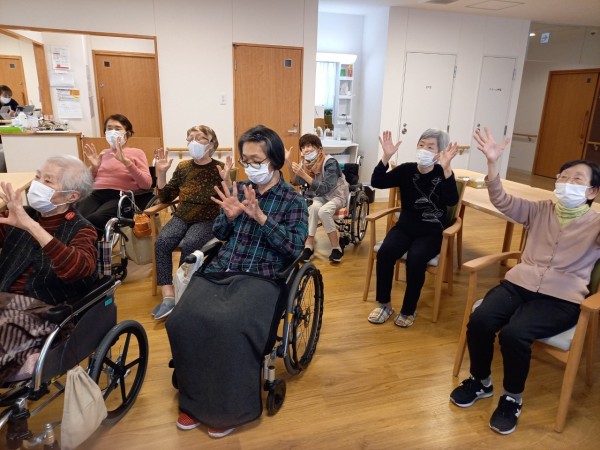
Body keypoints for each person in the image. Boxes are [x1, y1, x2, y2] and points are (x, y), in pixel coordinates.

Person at [449, 127, 600, 435]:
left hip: (562, 298)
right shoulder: (540, 209)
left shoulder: (596, 223)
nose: (568, 183)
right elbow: (502, 199)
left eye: (577, 180)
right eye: (564, 178)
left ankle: (512, 398)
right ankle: (481, 381)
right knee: (480, 320)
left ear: (592, 192)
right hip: (518, 284)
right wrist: (492, 164)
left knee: (515, 334)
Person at [166, 125, 308, 439]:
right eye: (246, 160)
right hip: (224, 267)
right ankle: (195, 396)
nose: (251, 167)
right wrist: (228, 217)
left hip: (263, 275)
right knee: (182, 319)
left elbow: (293, 249)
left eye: (257, 160)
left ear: (275, 160)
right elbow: (221, 233)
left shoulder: (293, 200)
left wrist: (262, 218)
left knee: (228, 325)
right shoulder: (240, 189)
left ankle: (228, 408)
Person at [0, 155, 98, 381]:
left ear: (72, 196)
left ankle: (22, 361)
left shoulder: (82, 229)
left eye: (48, 181)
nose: (37, 184)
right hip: (5, 300)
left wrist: (31, 226)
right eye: (37, 177)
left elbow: (78, 268)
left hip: (46, 311)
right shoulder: (22, 214)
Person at [367, 129, 459, 328]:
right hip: (405, 227)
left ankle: (408, 309)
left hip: (431, 232)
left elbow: (452, 200)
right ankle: (384, 305)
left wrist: (447, 169)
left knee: (416, 259)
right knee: (385, 253)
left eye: (430, 146)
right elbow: (377, 182)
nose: (424, 149)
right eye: (421, 144)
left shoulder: (442, 173)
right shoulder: (406, 170)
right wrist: (386, 157)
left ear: (439, 152)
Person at [151, 124, 231, 320]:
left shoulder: (220, 168)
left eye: (199, 138)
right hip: (182, 216)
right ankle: (168, 294)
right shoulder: (183, 167)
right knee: (162, 242)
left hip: (207, 218)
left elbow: (231, 198)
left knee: (190, 243)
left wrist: (228, 180)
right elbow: (166, 197)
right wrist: (161, 174)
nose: (193, 142)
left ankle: (183, 291)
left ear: (211, 144)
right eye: (190, 138)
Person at [78, 114, 152, 234]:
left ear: (127, 133)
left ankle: (88, 245)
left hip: (120, 196)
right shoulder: (103, 153)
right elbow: (86, 183)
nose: (113, 132)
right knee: (75, 217)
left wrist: (127, 162)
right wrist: (94, 167)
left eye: (117, 128)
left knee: (96, 219)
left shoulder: (137, 153)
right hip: (95, 194)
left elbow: (146, 184)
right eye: (109, 128)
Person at [286, 133, 349, 263]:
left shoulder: (330, 162)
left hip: (337, 195)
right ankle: (308, 246)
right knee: (313, 208)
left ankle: (336, 248)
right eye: (303, 147)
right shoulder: (306, 163)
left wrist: (304, 174)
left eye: (309, 146)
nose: (306, 150)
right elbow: (295, 181)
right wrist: (287, 162)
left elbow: (325, 188)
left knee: (323, 211)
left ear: (318, 147)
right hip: (321, 196)